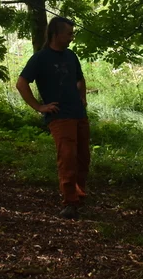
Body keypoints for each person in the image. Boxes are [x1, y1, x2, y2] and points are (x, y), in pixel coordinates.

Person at [16, 17, 89, 220]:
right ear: (56, 34)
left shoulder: (71, 56)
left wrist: (82, 97)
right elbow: (21, 83)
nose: (72, 38)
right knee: (67, 158)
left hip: (79, 114)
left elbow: (80, 79)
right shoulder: (41, 58)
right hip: (60, 116)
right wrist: (39, 107)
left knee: (83, 157)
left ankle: (79, 194)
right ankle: (70, 202)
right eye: (69, 34)